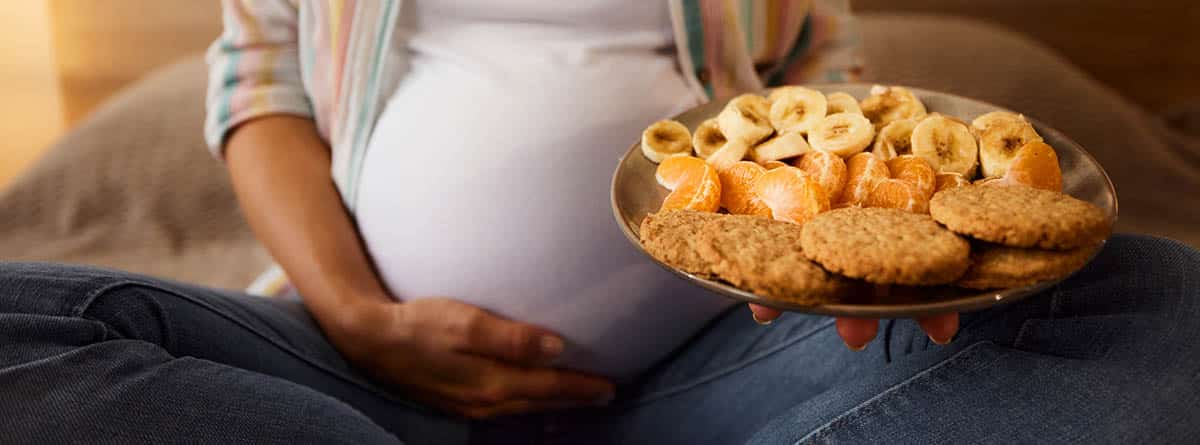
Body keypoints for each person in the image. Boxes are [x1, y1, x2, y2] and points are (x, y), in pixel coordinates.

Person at [2, 1, 1198, 444]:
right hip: (354, 377)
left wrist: (853, 266)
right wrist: (360, 317)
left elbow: (826, 82)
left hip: (715, 365)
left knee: (1157, 298)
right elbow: (258, 81)